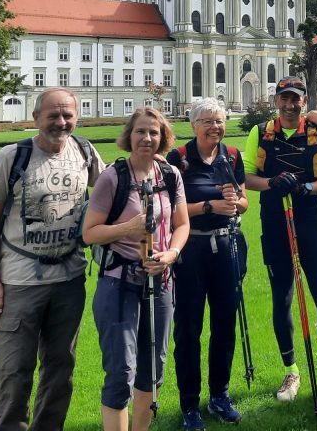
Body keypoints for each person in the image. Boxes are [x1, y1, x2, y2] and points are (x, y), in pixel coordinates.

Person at [0, 88, 106, 431]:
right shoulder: (13, 157)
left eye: (67, 115)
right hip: (19, 282)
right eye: (52, 115)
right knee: (13, 372)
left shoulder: (85, 152)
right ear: (36, 118)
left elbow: (114, 193)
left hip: (69, 279)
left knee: (60, 370)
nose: (61, 122)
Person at [243, 76, 317, 405]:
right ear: (276, 100)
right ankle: (291, 370)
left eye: (296, 99)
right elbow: (246, 176)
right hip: (275, 220)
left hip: (308, 219)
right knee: (283, 298)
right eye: (284, 98)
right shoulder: (260, 133)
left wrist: (306, 188)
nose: (290, 105)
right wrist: (272, 182)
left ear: (304, 102)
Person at [84, 107, 189, 431]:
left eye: (153, 132)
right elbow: (89, 233)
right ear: (129, 136)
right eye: (140, 131)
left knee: (153, 371)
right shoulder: (113, 177)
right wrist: (127, 228)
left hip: (160, 285)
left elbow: (181, 224)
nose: (147, 138)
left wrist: (171, 253)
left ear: (163, 138)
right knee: (120, 373)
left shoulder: (170, 175)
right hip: (119, 285)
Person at [166, 99, 248, 429]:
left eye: (220, 120)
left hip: (227, 247)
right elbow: (171, 211)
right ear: (194, 124)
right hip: (190, 248)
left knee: (225, 324)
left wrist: (235, 204)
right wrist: (211, 206)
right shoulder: (179, 159)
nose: (215, 126)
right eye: (208, 121)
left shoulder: (232, 155)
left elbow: (243, 202)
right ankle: (189, 404)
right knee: (188, 328)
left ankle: (219, 396)